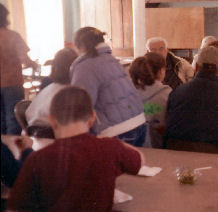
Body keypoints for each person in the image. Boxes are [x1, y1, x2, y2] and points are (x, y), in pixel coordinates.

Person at [7, 86, 144, 212]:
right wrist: (114, 143)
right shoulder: (109, 148)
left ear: (52, 120)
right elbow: (139, 161)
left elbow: (15, 208)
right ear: (92, 118)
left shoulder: (37, 160)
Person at [71, 27, 146, 146]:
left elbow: (81, 105)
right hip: (139, 122)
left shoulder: (85, 67)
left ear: (81, 46)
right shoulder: (111, 59)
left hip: (117, 130)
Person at [0, 3, 38, 134]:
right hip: (12, 83)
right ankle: (13, 152)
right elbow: (24, 59)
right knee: (13, 121)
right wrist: (33, 64)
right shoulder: (13, 36)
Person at [26, 48, 78, 130]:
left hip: (32, 131)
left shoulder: (48, 87)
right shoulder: (68, 93)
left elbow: (28, 113)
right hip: (52, 134)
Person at [129, 52, 172, 148]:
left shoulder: (126, 93)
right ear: (161, 71)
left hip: (130, 147)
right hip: (158, 148)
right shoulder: (167, 94)